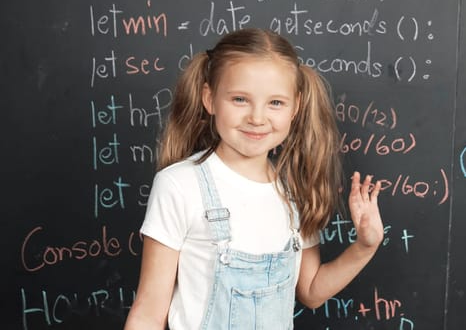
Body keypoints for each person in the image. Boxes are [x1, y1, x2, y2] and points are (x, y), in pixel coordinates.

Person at [124, 28, 384, 330]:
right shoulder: (180, 185)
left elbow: (311, 291)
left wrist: (365, 246)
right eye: (240, 99)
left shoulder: (292, 192)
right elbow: (148, 313)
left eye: (275, 103)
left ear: (295, 107)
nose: (257, 118)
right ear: (210, 99)